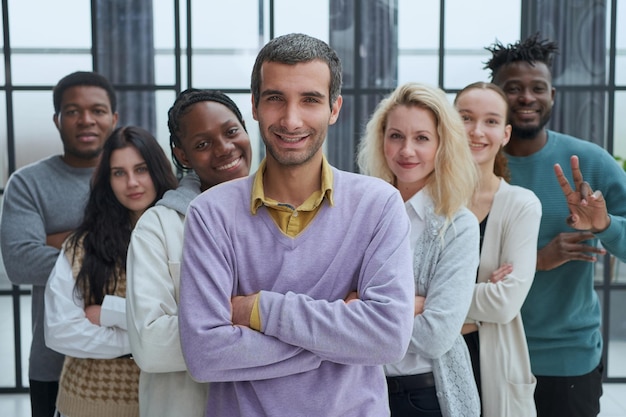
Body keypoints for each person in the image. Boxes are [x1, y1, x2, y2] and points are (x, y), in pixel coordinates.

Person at [177, 33, 415, 417]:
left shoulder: (379, 205)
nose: (291, 119)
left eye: (310, 100)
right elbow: (205, 356)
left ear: (334, 108)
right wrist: (339, 340)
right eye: (275, 99)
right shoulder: (210, 213)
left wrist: (258, 311)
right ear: (254, 106)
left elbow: (387, 339)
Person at [485, 34, 626, 417]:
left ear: (553, 95)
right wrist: (536, 260)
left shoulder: (591, 163)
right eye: (512, 88)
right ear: (495, 95)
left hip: (565, 359)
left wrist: (605, 225)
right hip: (484, 347)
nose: (526, 97)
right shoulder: (469, 169)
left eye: (537, 88)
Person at [126, 89, 253, 417]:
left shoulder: (287, 212)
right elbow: (151, 346)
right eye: (202, 143)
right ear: (182, 155)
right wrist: (261, 315)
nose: (224, 148)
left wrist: (212, 326)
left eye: (231, 131)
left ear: (246, 129)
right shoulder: (158, 227)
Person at [357, 82, 481, 417]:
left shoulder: (458, 225)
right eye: (396, 135)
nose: (406, 150)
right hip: (358, 393)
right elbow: (332, 301)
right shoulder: (358, 213)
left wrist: (361, 312)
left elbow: (436, 336)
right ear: (381, 139)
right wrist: (408, 306)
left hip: (422, 398)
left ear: (442, 145)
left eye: (422, 138)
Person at [0, 71, 118, 417]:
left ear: (114, 118)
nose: (86, 120)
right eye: (72, 111)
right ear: (57, 120)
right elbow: (21, 262)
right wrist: (112, 243)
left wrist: (60, 241)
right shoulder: (28, 183)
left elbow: (152, 254)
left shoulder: (134, 177)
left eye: (97, 110)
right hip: (53, 362)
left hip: (129, 357)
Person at [43, 126, 177, 417]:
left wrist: (110, 314)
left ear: (157, 171)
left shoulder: (184, 235)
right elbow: (59, 331)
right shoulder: (82, 246)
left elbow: (193, 321)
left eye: (141, 169)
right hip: (88, 403)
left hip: (167, 402)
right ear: (107, 180)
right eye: (118, 173)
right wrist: (147, 340)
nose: (132, 182)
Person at [454, 82, 542, 417]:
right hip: (424, 365)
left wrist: (428, 301)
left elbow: (505, 303)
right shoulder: (426, 200)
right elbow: (398, 297)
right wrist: (481, 294)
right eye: (465, 118)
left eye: (490, 121)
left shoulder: (521, 205)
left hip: (491, 361)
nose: (477, 131)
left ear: (505, 134)